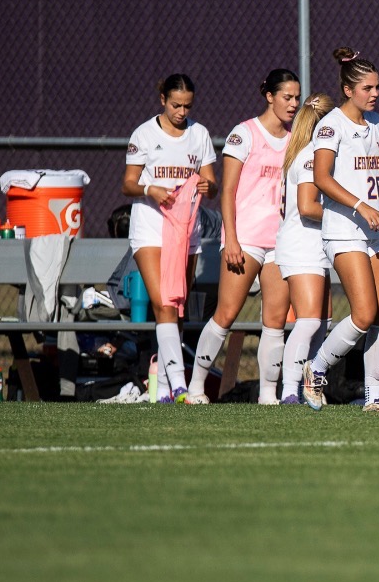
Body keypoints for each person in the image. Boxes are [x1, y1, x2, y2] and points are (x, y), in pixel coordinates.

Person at [191, 69, 298, 403]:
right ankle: (194, 387)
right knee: (226, 314)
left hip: (281, 241)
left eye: (297, 98)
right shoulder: (245, 134)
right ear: (269, 96)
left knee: (275, 321)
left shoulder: (297, 138)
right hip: (247, 238)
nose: (293, 104)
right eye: (287, 97)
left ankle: (268, 394)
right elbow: (228, 192)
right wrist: (232, 239)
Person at [304, 48, 379, 411]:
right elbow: (321, 178)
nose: (374, 94)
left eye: (377, 87)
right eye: (367, 88)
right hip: (345, 228)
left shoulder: (375, 121)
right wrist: (359, 205)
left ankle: (374, 399)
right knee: (363, 314)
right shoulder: (331, 124)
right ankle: (315, 369)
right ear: (348, 89)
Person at [121, 74, 217, 403]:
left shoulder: (199, 134)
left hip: (186, 231)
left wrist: (207, 186)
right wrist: (151, 189)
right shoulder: (144, 134)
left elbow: (211, 183)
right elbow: (129, 183)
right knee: (163, 303)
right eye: (176, 104)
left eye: (188, 105)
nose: (181, 111)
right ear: (162, 99)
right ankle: (179, 384)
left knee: (176, 307)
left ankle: (161, 388)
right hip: (150, 227)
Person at [276, 94, 335, 403]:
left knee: (321, 322)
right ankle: (289, 391)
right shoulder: (311, 156)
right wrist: (350, 213)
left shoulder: (312, 153)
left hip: (317, 246)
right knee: (309, 320)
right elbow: (307, 206)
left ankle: (309, 388)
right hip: (302, 245)